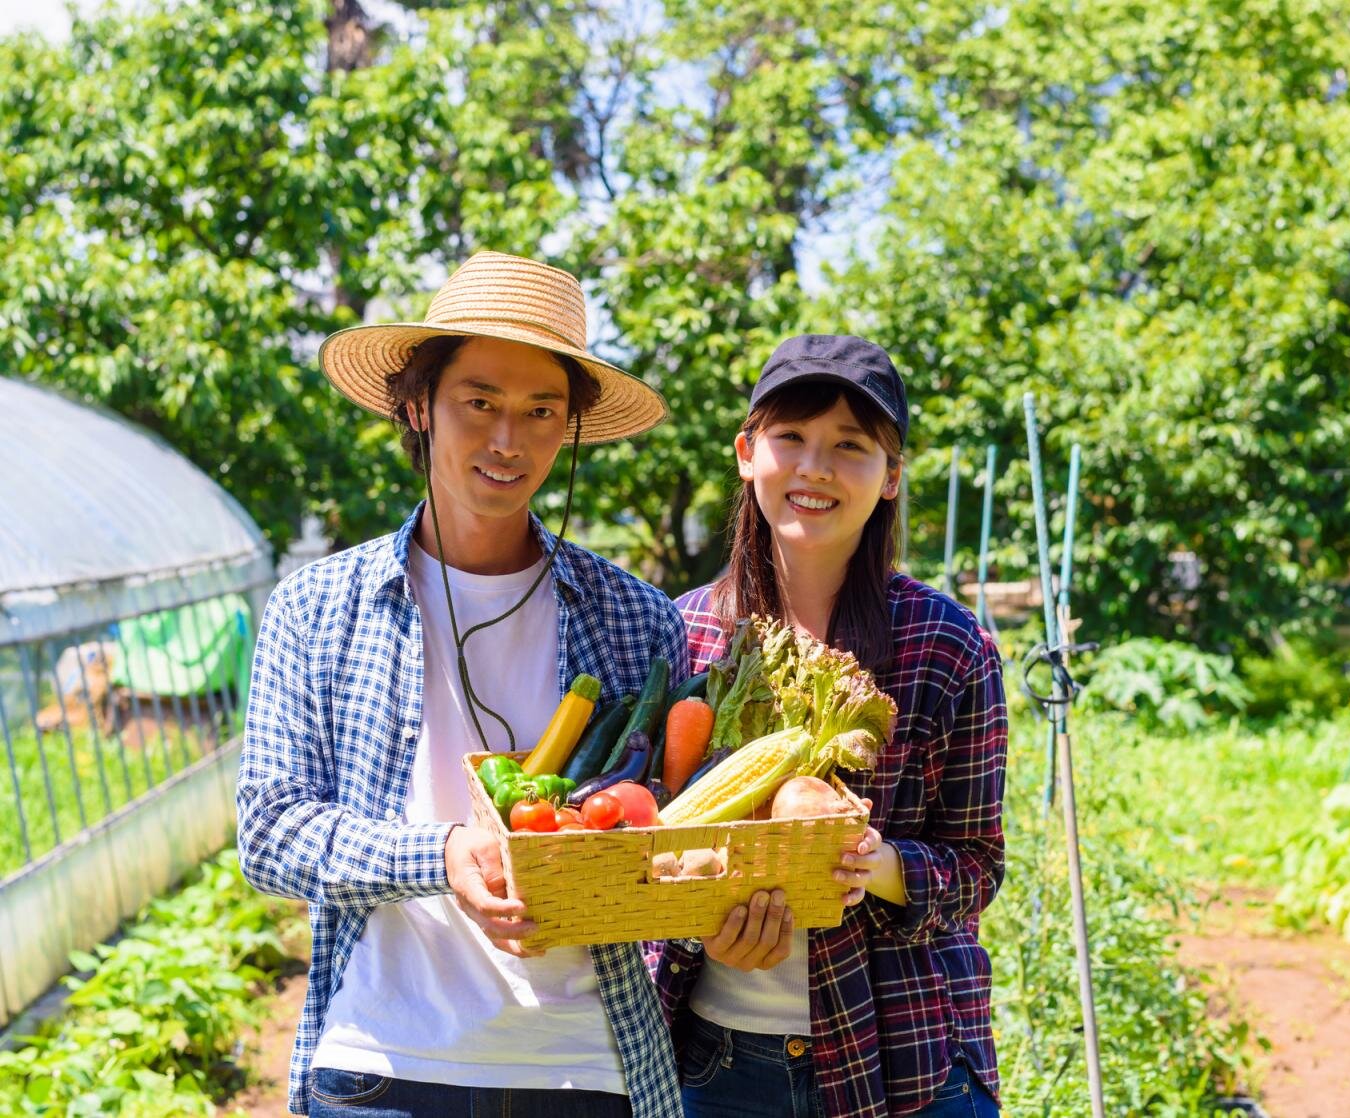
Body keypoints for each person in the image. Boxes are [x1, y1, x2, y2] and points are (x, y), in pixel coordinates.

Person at [236, 251, 690, 1118]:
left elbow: (669, 836)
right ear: (419, 406)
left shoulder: (638, 620)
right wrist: (442, 856)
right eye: (479, 402)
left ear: (571, 429)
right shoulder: (320, 606)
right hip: (383, 1062)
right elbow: (269, 832)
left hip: (585, 1069)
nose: (508, 441)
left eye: (541, 411)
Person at [650, 335, 1008, 1117]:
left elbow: (979, 865)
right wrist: (701, 925)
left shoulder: (949, 645)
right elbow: (641, 845)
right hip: (714, 1065)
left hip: (908, 1062)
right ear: (747, 453)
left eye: (850, 447)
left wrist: (874, 866)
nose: (815, 468)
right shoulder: (681, 638)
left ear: (890, 478)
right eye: (792, 439)